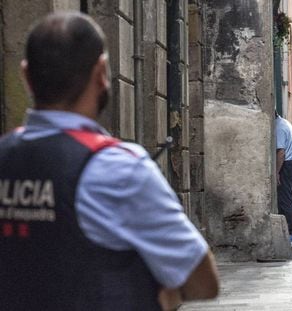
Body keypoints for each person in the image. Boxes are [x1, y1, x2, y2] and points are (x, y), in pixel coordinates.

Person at [0, 12, 218, 311]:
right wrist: (165, 294)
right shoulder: (120, 169)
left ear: (25, 75)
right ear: (101, 71)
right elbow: (202, 280)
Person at [275, 112, 292, 242]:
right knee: (286, 197)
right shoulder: (284, 122)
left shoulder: (278, 127)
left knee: (286, 199)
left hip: (287, 164)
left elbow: (281, 152)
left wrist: (276, 172)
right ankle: (289, 229)